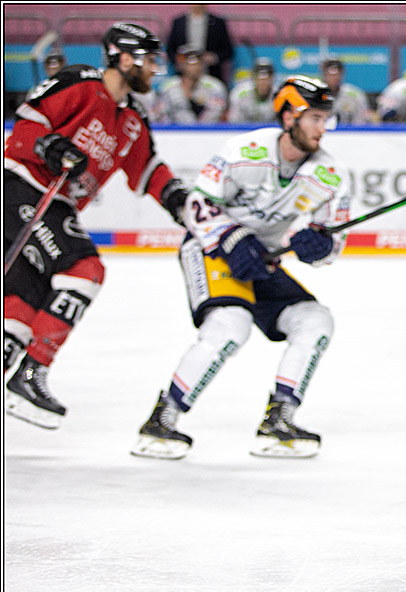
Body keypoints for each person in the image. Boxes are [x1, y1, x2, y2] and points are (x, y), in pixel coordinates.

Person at [131, 76, 350, 460]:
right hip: (210, 248)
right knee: (230, 326)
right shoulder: (244, 150)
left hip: (261, 259)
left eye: (325, 119)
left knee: (316, 321)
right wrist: (232, 239)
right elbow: (196, 206)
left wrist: (319, 246)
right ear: (288, 117)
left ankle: (278, 420)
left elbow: (333, 247)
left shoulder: (331, 176)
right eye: (314, 118)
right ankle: (161, 421)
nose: (321, 129)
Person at [3, 23, 189, 429]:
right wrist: (50, 146)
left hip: (57, 204)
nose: (155, 68)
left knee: (21, 303)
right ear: (124, 58)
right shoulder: (81, 83)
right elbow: (27, 124)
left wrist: (176, 197)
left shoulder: (133, 119)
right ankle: (30, 373)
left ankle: (13, 364)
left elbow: (146, 170)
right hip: (20, 187)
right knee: (84, 270)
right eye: (148, 59)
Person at [153, 45, 228, 123]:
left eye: (197, 62)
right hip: (175, 132)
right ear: (180, 64)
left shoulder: (215, 86)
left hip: (210, 132)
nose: (193, 67)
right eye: (189, 62)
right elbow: (161, 115)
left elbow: (219, 113)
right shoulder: (168, 87)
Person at [167, 4, 234, 84]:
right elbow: (170, 49)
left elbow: (228, 51)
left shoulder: (218, 23)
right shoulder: (178, 22)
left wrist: (214, 57)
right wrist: (180, 62)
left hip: (211, 74)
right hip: (184, 76)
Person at [320, 57, 373, 125]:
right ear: (324, 74)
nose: (334, 78)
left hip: (350, 133)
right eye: (330, 74)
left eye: (337, 74)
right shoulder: (315, 94)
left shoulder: (355, 95)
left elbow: (362, 122)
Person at [228, 57, 276, 123]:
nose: (263, 82)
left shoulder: (279, 94)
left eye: (266, 78)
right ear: (253, 78)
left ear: (272, 78)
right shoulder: (240, 94)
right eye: (259, 78)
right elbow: (234, 122)